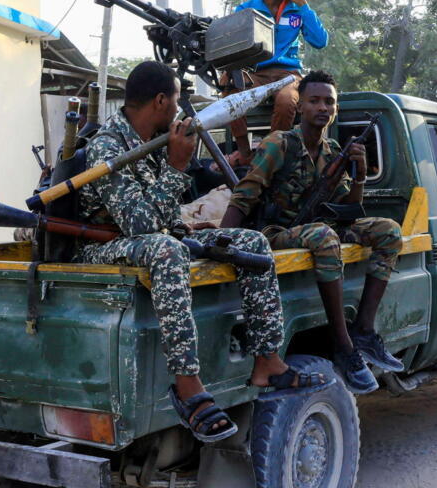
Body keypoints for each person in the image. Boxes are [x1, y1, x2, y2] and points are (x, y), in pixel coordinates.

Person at [76, 61, 329, 443]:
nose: (180, 111)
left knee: (250, 240)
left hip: (153, 237)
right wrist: (178, 167)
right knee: (165, 249)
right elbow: (141, 226)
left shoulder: (155, 140)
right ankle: (188, 383)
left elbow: (164, 217)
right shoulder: (107, 146)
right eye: (176, 100)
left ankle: (268, 361)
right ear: (161, 100)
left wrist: (194, 223)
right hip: (103, 246)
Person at [220, 70, 404, 395]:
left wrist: (358, 174)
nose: (322, 107)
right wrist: (221, 240)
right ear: (300, 107)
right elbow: (246, 193)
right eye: (314, 100)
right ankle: (343, 344)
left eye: (329, 102)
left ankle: (363, 329)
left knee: (389, 231)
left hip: (321, 226)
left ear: (335, 109)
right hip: (276, 232)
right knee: (323, 235)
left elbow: (349, 208)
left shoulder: (333, 151)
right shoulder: (280, 143)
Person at [223, 0, 329, 167]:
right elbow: (233, 48)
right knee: (229, 84)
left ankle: (270, 155)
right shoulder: (246, 9)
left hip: (288, 75)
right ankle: (244, 152)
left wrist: (303, 4)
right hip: (255, 73)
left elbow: (320, 41)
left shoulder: (297, 10)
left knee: (286, 100)